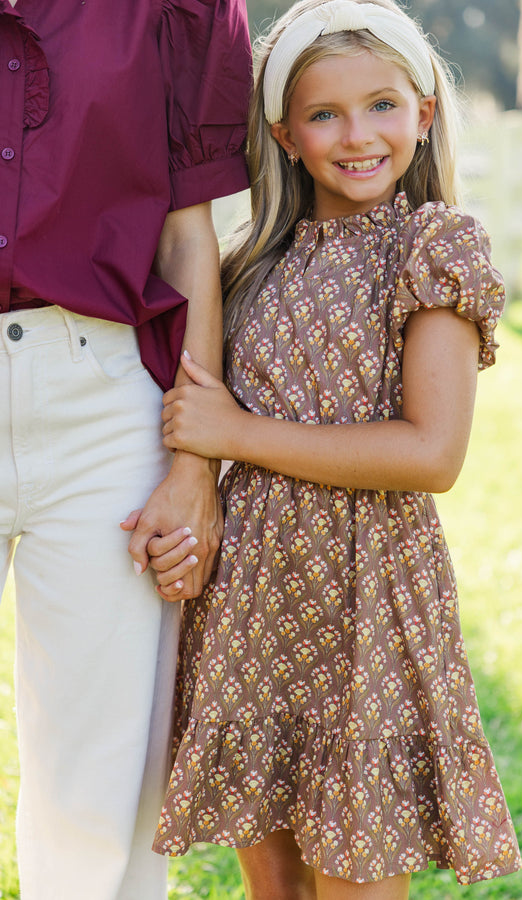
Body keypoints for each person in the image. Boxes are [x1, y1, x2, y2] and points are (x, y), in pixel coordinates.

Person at [150, 0, 522, 896]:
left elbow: (432, 453)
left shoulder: (433, 247)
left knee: (355, 871)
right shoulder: (249, 265)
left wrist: (236, 435)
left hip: (366, 597)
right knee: (274, 883)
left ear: (424, 111)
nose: (358, 136)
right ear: (283, 134)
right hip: (252, 601)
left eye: (383, 106)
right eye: (325, 115)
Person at [0, 0, 251, 898]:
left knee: (101, 782)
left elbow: (191, 239)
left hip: (103, 396)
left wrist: (194, 469)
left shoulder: (176, 10)